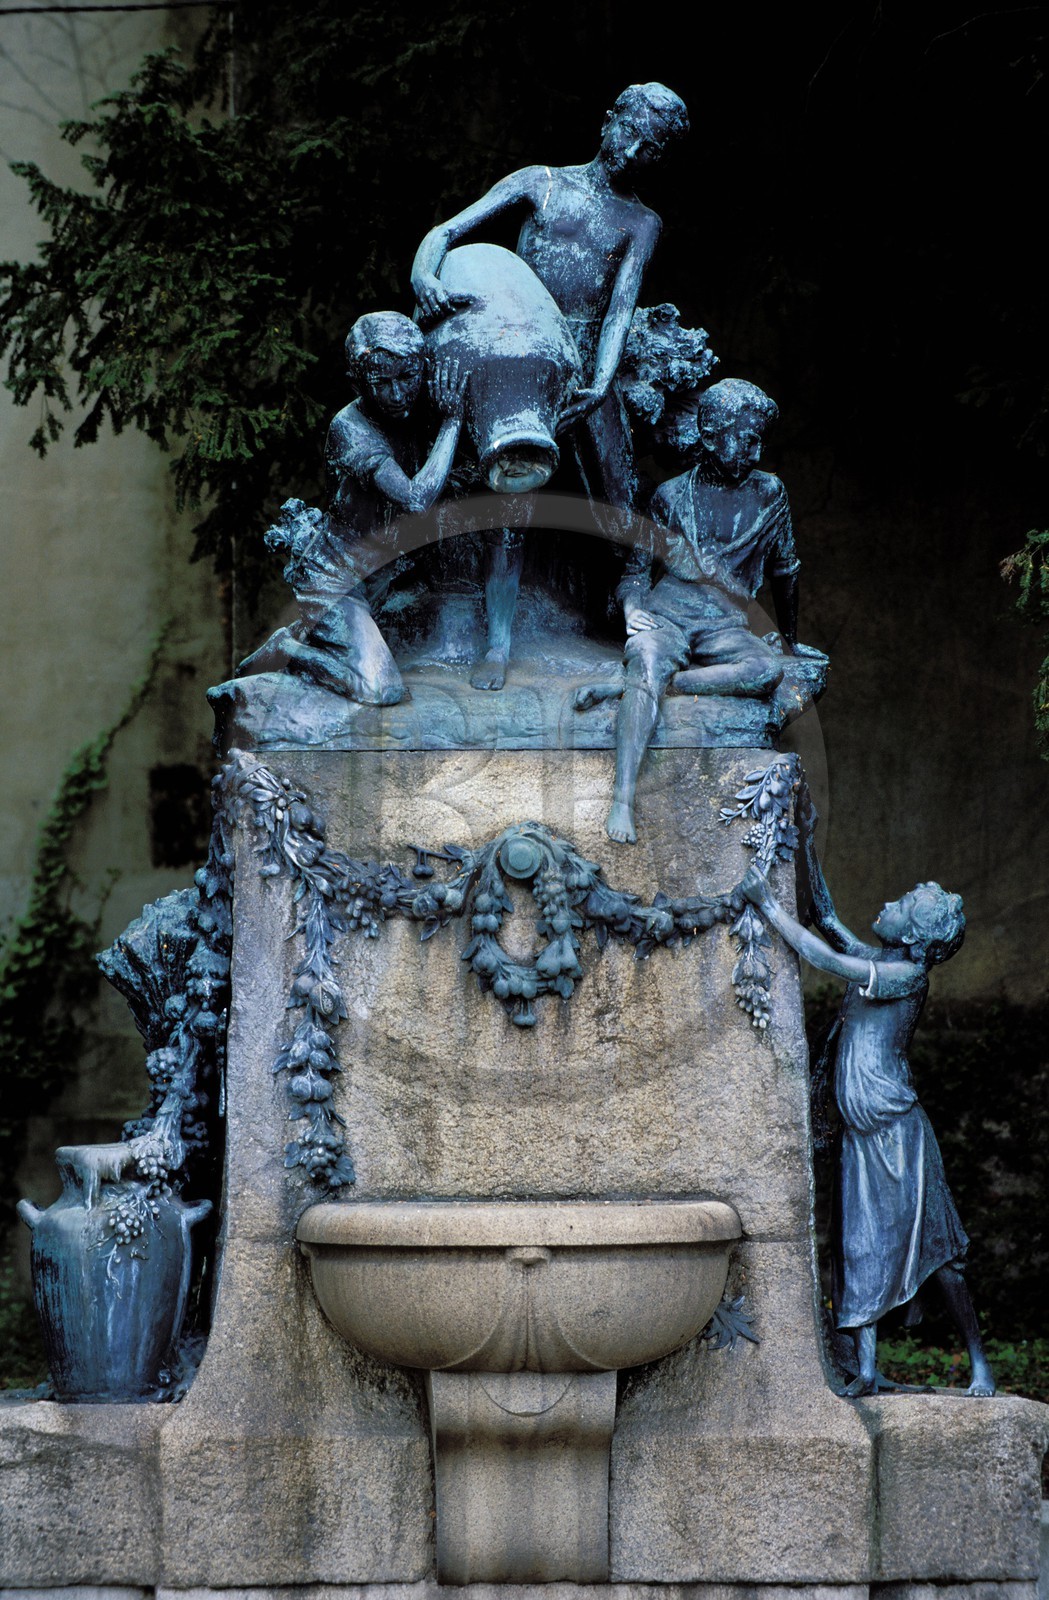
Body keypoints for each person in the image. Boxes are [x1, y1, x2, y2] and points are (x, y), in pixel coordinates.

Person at [411, 83, 689, 689]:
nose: (633, 148)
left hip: (589, 365)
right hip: (522, 361)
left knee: (620, 491)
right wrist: (423, 275)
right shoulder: (539, 181)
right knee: (512, 499)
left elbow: (620, 309)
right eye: (630, 130)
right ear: (608, 120)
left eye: (649, 148)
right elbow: (446, 232)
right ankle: (499, 642)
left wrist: (600, 381)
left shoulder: (641, 221)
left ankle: (636, 617)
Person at [740, 828, 996, 1399]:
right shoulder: (885, 957)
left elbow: (825, 956)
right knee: (859, 1248)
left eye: (903, 906)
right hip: (863, 1136)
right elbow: (828, 921)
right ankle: (867, 1369)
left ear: (918, 937)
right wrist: (803, 844)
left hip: (900, 1138)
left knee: (940, 1255)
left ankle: (980, 1364)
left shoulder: (906, 976)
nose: (890, 903)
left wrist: (768, 905)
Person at [591, 378, 804, 843]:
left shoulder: (771, 494)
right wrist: (631, 609)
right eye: (746, 439)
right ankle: (622, 798)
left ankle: (656, 684)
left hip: (723, 624)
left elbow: (786, 571)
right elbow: (635, 572)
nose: (755, 451)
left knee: (765, 670)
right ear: (710, 437)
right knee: (647, 655)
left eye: (760, 440)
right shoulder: (671, 496)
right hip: (667, 613)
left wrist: (789, 641)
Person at [239, 311, 465, 704]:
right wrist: (453, 424)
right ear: (358, 383)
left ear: (423, 370)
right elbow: (415, 498)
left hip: (388, 574)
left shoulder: (420, 411)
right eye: (382, 383)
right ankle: (291, 651)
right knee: (383, 689)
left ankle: (316, 635)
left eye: (407, 378)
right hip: (336, 575)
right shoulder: (350, 427)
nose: (397, 394)